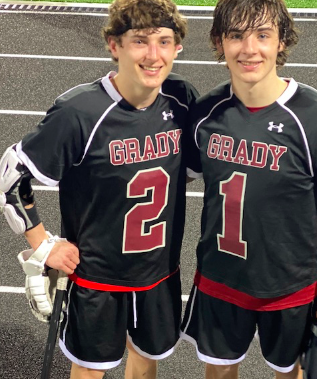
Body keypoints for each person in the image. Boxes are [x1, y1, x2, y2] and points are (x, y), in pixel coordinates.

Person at [0, 0, 198, 378]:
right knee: (91, 370)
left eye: (164, 41)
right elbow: (11, 174)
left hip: (159, 271)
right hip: (98, 278)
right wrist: (43, 246)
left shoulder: (181, 99)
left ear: (177, 47)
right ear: (114, 45)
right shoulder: (80, 111)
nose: (154, 55)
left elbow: (184, 170)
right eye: (140, 41)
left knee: (145, 360)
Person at [181, 0, 317, 378]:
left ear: (281, 41)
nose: (250, 49)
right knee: (217, 372)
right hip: (219, 280)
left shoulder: (312, 117)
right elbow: (172, 183)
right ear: (219, 42)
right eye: (236, 36)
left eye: (263, 35)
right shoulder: (205, 114)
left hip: (288, 287)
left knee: (289, 374)